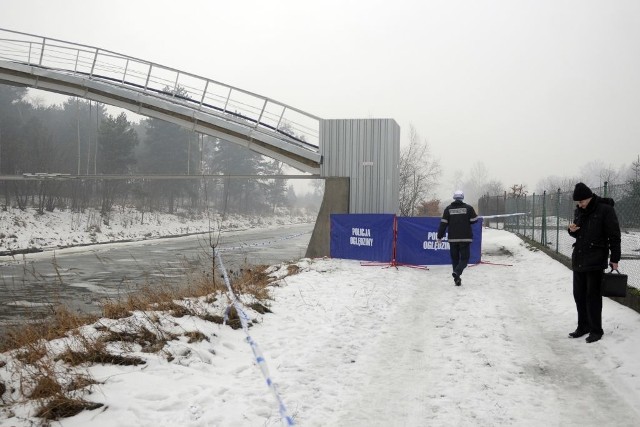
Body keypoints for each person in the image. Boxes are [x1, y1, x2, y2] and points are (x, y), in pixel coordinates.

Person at [567, 182, 621, 343]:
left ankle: (596, 330)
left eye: (581, 201)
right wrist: (572, 230)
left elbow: (614, 236)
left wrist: (614, 258)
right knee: (579, 295)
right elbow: (578, 234)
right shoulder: (579, 211)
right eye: (578, 203)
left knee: (593, 297)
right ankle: (582, 326)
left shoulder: (605, 210)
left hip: (596, 259)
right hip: (579, 259)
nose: (579, 205)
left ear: (589, 197)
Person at [437, 190, 479, 286]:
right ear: (462, 197)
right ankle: (457, 272)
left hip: (453, 239)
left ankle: (457, 279)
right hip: (465, 238)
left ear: (454, 198)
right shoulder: (468, 208)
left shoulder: (448, 209)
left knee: (455, 259)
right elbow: (474, 220)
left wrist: (439, 236)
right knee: (465, 258)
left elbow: (443, 224)